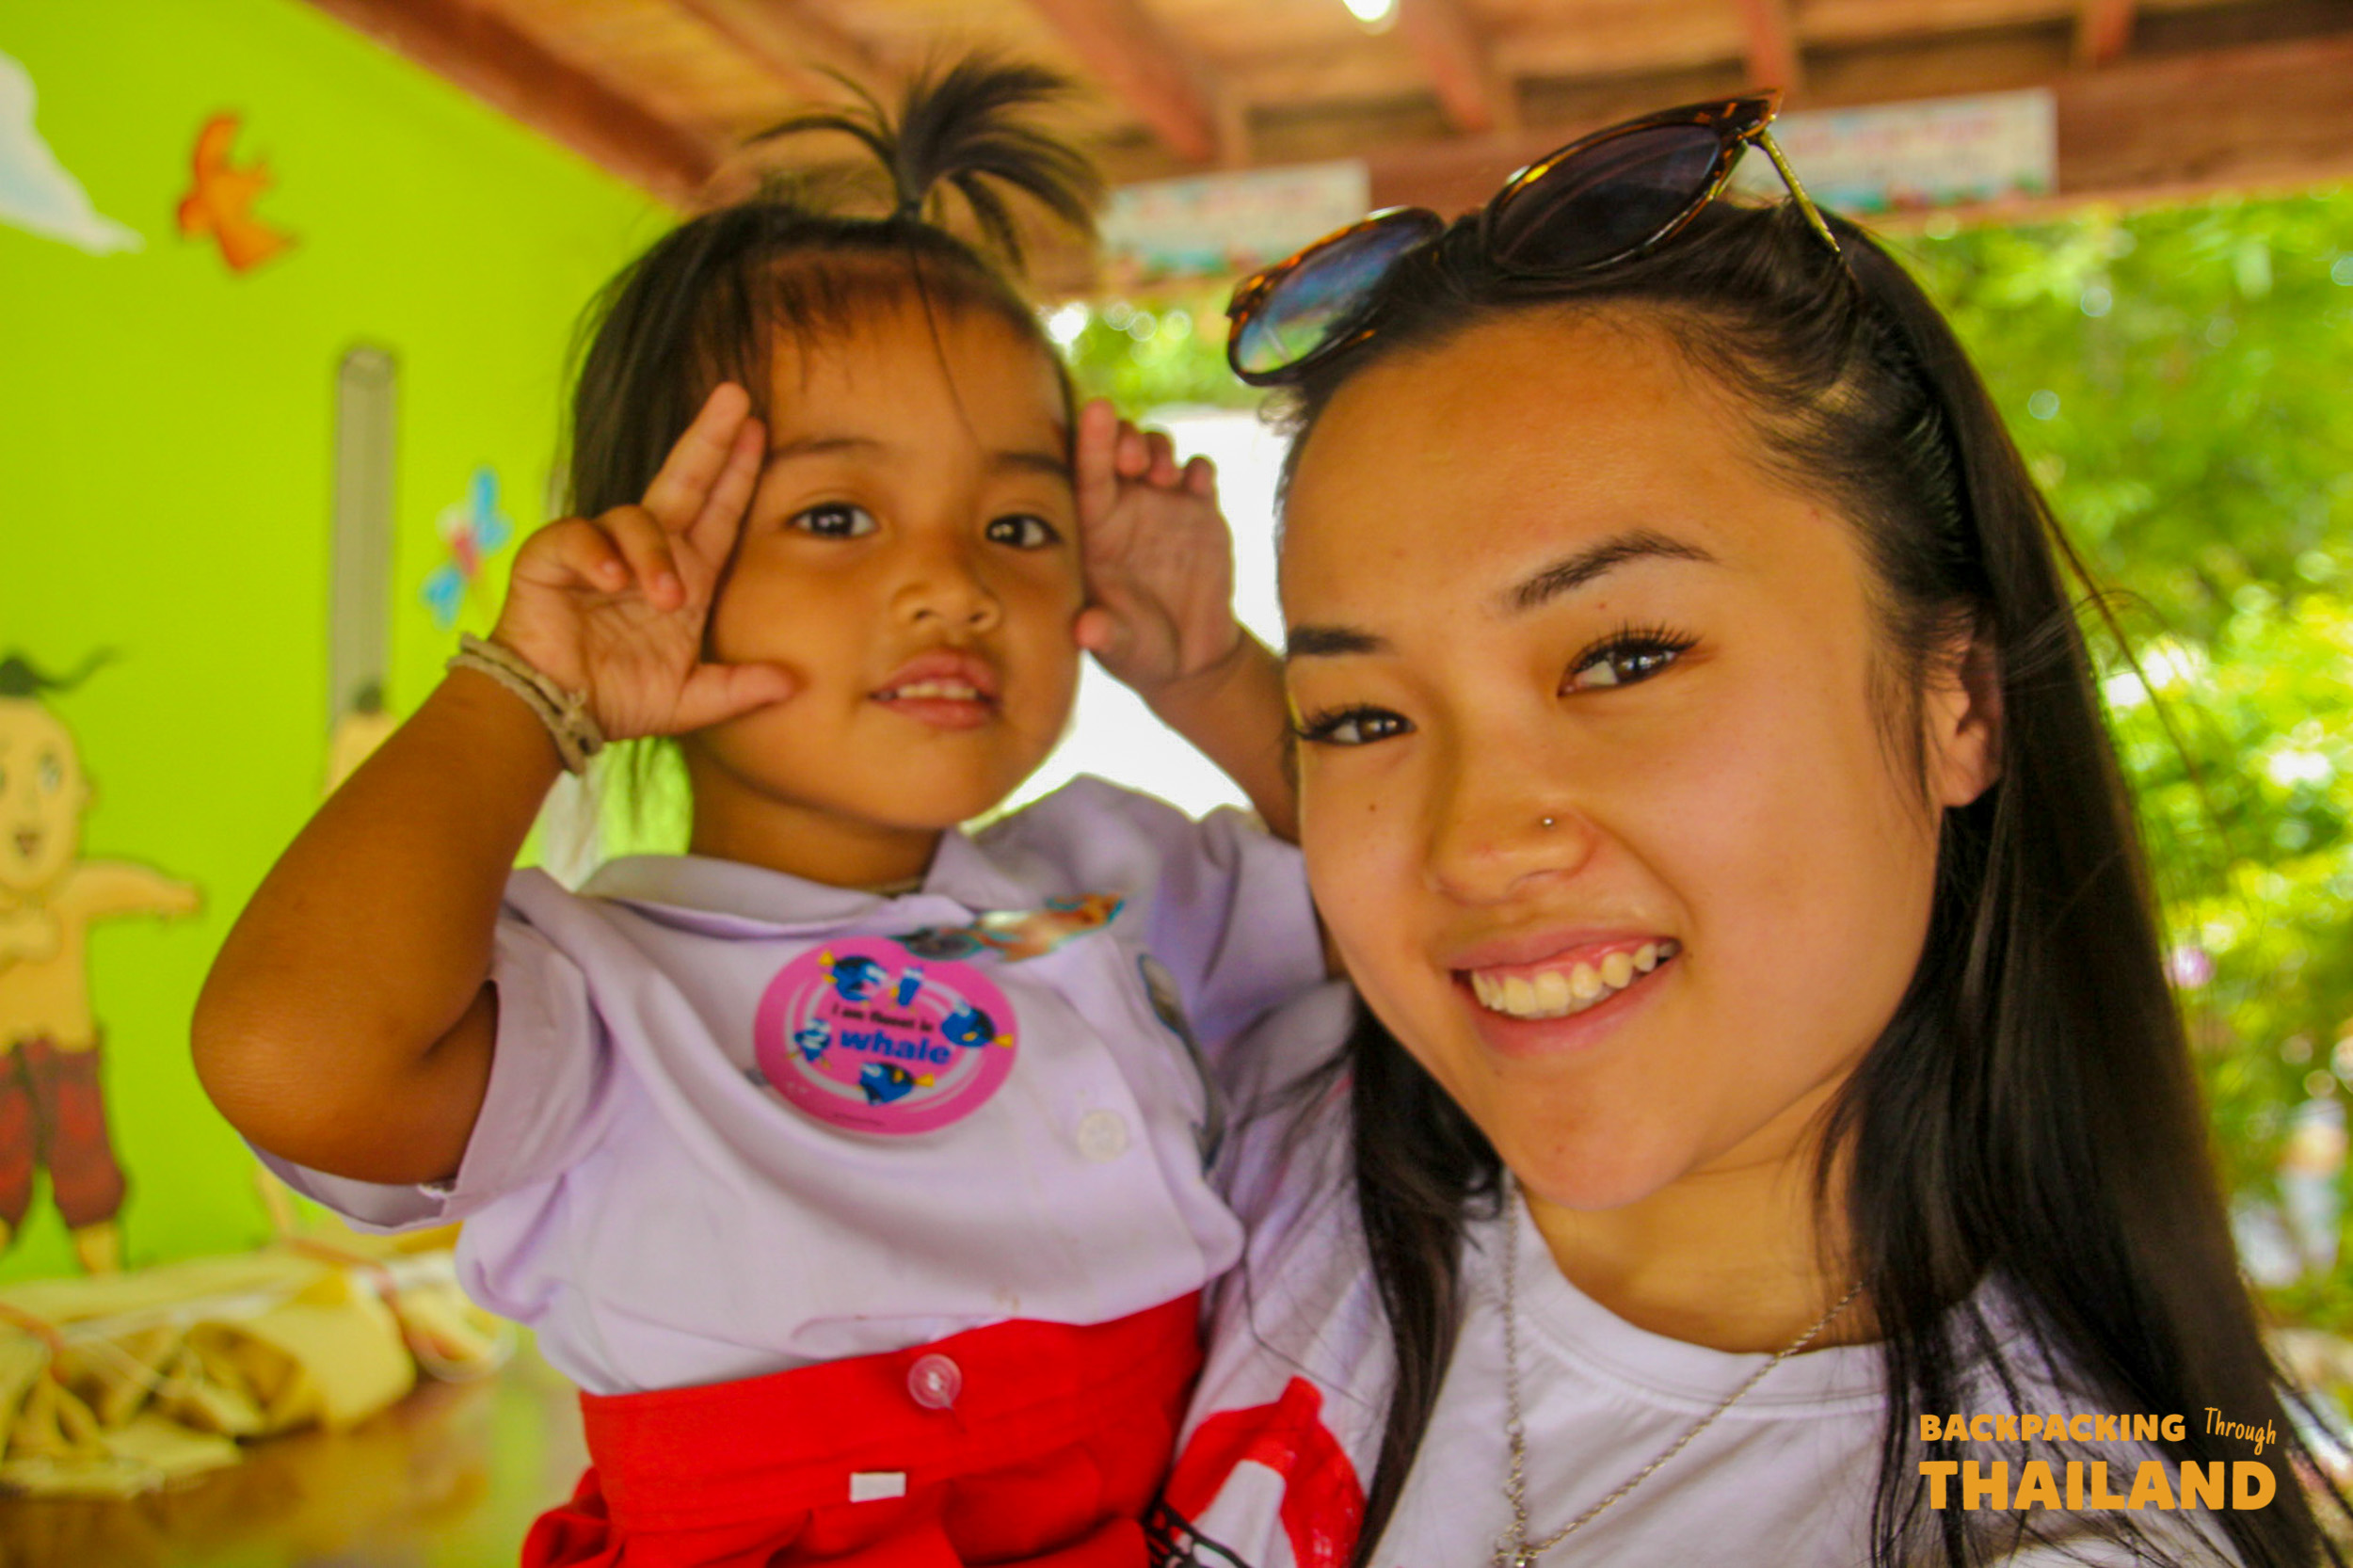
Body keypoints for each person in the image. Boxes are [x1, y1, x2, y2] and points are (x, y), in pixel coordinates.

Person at [1152, 94, 2345, 1566]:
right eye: (1358, 716)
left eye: (1625, 657)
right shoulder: (1238, 1126)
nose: (1472, 843)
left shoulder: (2069, 1523)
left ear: (1961, 701)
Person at [193, 58, 1317, 1568]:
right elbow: (290, 1056)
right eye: (836, 515)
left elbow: (1399, 876)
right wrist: (528, 693)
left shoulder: (1118, 874)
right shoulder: (591, 989)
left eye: (1019, 522)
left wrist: (1211, 668)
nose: (952, 582)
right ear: (653, 564)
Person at [0, 652, 200, 1273]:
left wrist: (168, 895)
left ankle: (105, 1282)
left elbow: (120, 884)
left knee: (89, 1184)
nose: (26, 806)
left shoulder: (73, 892)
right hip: (4, 1073)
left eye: (48, 776)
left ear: (82, 793)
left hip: (70, 1064)